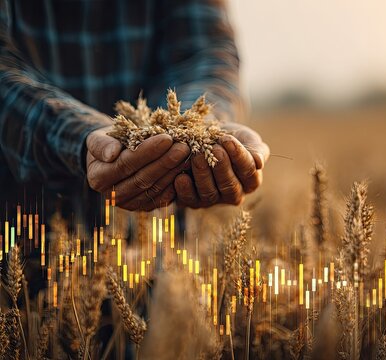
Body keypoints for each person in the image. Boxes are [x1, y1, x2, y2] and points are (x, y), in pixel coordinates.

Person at [0, 0, 269, 223]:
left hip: (150, 252)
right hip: (16, 232)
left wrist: (194, 126)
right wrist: (75, 135)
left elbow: (205, 52)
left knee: (146, 282)